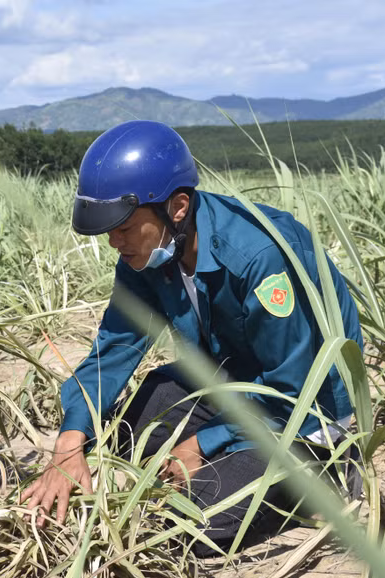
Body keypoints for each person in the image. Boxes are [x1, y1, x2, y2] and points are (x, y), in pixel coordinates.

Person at [20, 120, 363, 555]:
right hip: (232, 379)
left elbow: (292, 392)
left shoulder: (257, 259)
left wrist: (204, 442)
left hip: (303, 408)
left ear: (177, 207)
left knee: (197, 524)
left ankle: (318, 479)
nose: (114, 242)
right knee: (126, 431)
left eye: (124, 226)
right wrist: (70, 442)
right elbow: (115, 349)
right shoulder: (146, 254)